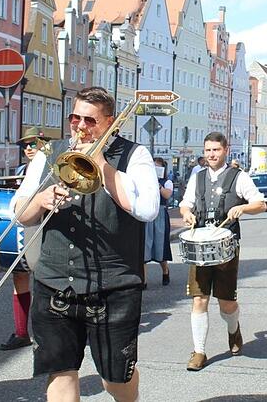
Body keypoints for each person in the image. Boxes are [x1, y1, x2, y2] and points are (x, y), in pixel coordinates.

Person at [12, 87, 159, 402]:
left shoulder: (134, 154)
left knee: (115, 379)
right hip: (54, 281)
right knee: (60, 370)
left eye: (90, 121)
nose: (80, 127)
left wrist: (103, 165)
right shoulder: (49, 152)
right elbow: (20, 213)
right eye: (74, 118)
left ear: (109, 123)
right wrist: (40, 199)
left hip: (113, 286)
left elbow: (147, 209)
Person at [179, 132, 266, 372]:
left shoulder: (239, 177)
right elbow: (185, 203)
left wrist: (243, 207)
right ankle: (199, 351)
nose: (211, 155)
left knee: (226, 303)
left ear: (225, 150)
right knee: (199, 299)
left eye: (215, 150)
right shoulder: (197, 177)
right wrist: (186, 213)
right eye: (207, 150)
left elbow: (261, 204)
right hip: (200, 245)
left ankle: (233, 330)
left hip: (227, 245)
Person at [0, 127, 52, 351]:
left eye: (33, 144)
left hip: (41, 227)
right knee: (19, 276)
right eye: (25, 145)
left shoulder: (50, 166)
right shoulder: (22, 169)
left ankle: (49, 332)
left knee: (45, 280)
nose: (29, 148)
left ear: (44, 144)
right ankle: (21, 332)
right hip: (21, 226)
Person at [145, 157, 173, 287]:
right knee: (144, 246)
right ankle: (143, 280)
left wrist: (159, 185)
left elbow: (167, 195)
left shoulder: (167, 182)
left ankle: (165, 271)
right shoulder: (145, 181)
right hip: (147, 212)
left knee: (160, 245)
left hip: (160, 213)